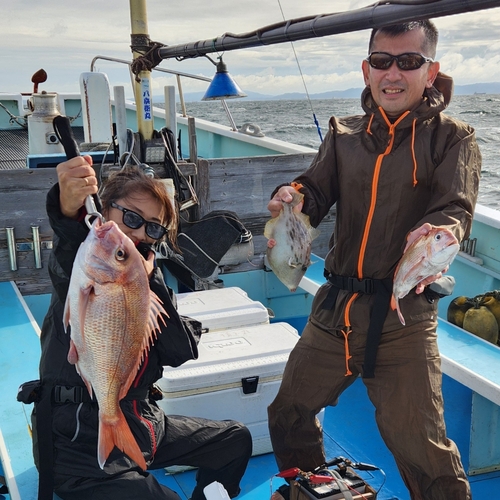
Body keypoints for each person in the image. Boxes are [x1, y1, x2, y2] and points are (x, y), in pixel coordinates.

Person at [267, 20, 481, 500]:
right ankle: (312, 491)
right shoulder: (344, 136)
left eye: (408, 62)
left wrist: (442, 231)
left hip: (401, 316)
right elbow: (315, 190)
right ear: (366, 69)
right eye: (382, 61)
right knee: (288, 413)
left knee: (424, 449)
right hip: (335, 309)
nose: (393, 73)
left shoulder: (454, 138)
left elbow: (455, 208)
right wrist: (293, 196)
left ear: (431, 71)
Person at [31, 157, 252, 500]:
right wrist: (67, 207)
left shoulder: (145, 277)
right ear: (102, 213)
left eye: (153, 228)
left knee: (235, 440)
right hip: (74, 442)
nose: (137, 233)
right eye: (131, 218)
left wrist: (147, 281)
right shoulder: (86, 266)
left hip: (140, 422)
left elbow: (179, 351)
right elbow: (68, 243)